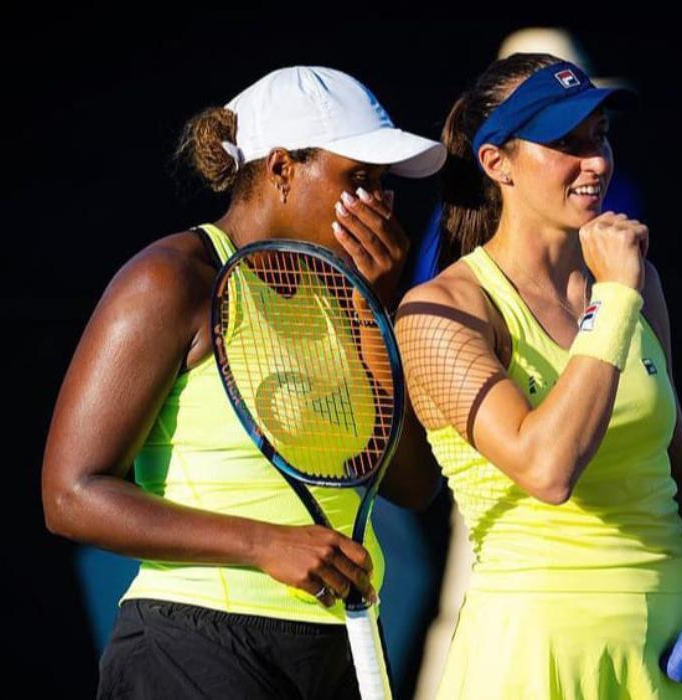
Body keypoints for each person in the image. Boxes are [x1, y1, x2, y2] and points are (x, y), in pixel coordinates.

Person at [394, 53, 682, 700]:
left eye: (599, 136)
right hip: (534, 662)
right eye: (566, 142)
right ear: (497, 163)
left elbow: (679, 481)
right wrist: (615, 303)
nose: (595, 161)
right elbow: (548, 471)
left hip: (669, 655)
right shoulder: (440, 312)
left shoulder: (637, 281)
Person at [40, 65, 445, 699]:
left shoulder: (347, 296)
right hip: (192, 644)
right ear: (282, 167)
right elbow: (70, 496)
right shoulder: (170, 280)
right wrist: (264, 544)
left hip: (341, 650)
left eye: (382, 186)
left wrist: (377, 308)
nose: (378, 205)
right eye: (357, 180)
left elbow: (413, 485)